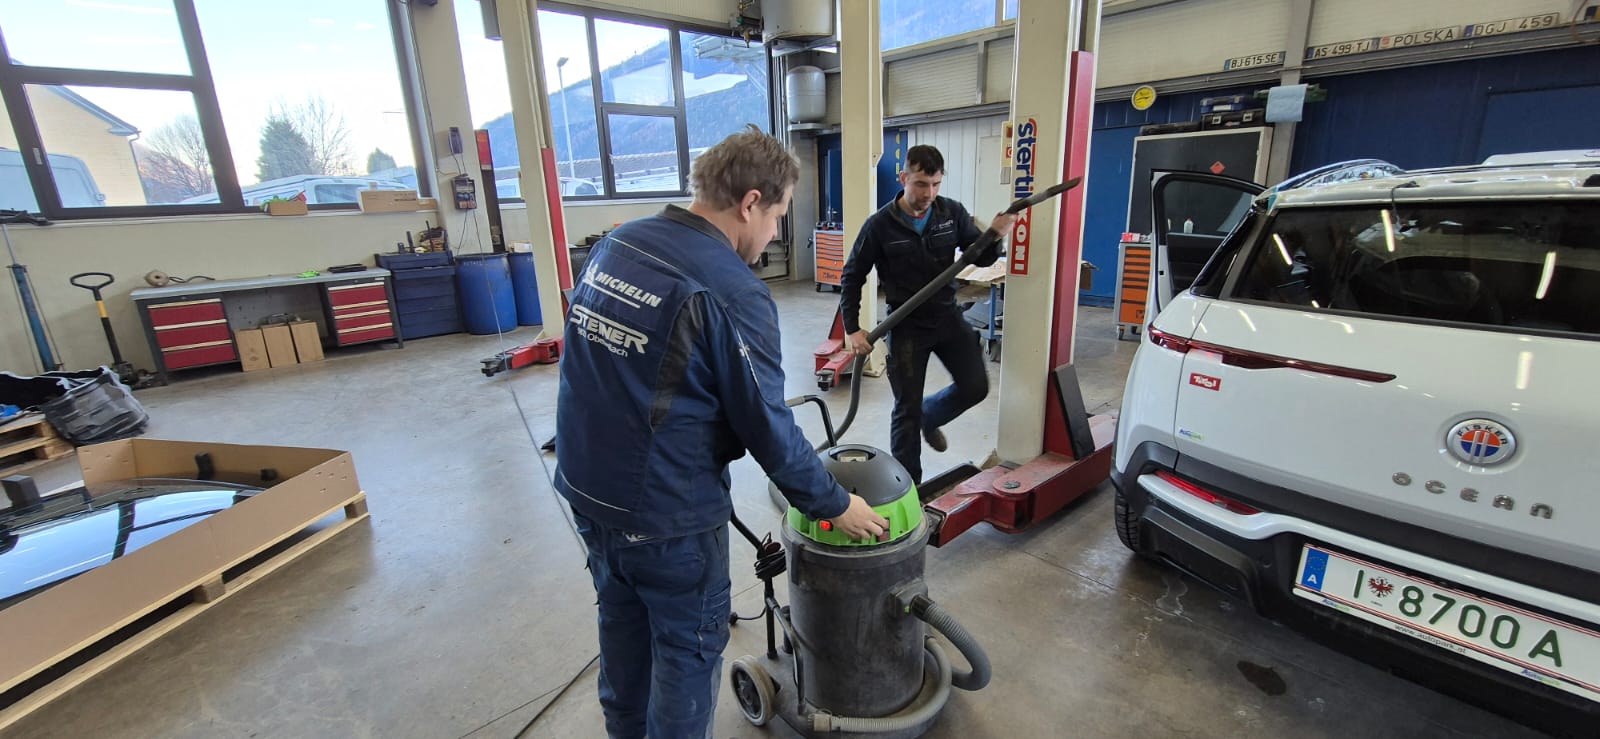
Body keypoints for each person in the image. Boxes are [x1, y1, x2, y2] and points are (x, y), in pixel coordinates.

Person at [554, 125, 889, 739]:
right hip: (666, 518)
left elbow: (585, 370)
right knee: (685, 657)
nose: (774, 236)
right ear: (751, 202)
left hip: (587, 493)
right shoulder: (732, 291)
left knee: (624, 639)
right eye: (779, 216)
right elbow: (767, 426)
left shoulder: (615, 246)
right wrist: (834, 503)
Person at [838, 144, 1017, 484]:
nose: (929, 193)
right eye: (921, 184)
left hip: (947, 317)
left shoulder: (951, 213)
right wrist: (853, 328)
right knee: (905, 412)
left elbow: (978, 257)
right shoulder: (879, 225)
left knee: (975, 386)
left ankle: (930, 415)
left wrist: (995, 235)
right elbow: (852, 275)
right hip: (905, 326)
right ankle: (908, 491)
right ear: (903, 177)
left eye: (935, 184)